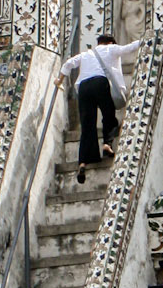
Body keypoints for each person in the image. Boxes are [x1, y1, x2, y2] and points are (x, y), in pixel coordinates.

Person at [57, 32, 143, 183]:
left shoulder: (86, 54)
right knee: (109, 115)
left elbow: (68, 64)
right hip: (100, 83)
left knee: (87, 124)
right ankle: (107, 144)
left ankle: (83, 162)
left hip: (83, 87)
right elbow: (129, 48)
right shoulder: (111, 48)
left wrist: (59, 80)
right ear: (110, 42)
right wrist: (146, 39)